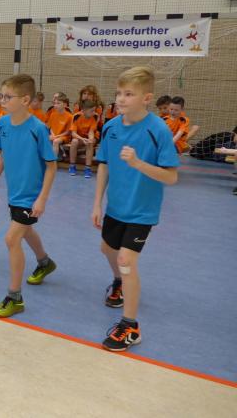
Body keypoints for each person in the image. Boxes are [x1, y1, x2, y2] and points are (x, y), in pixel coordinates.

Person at [91, 66, 179, 352]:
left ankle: (130, 326)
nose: (121, 99)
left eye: (129, 94)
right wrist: (97, 202)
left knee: (126, 260)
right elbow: (104, 164)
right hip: (115, 207)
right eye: (119, 93)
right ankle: (118, 283)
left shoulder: (158, 130)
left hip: (142, 211)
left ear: (147, 98)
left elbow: (171, 177)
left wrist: (139, 163)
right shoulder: (111, 127)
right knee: (107, 249)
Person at [0, 74, 58, 317]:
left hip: (31, 195)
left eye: (8, 97)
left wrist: (42, 198)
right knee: (25, 230)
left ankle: (15, 297)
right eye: (1, 96)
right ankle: (45, 262)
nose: (2, 100)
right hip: (14, 192)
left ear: (25, 100)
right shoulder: (3, 124)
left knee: (11, 239)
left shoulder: (38, 129)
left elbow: (51, 166)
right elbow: (4, 155)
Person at [69, 100, 100, 178]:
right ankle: (72, 166)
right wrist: (82, 139)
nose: (94, 112)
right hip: (79, 137)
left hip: (90, 136)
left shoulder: (94, 117)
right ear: (84, 110)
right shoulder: (76, 116)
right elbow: (73, 133)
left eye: (94, 110)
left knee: (90, 142)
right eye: (91, 111)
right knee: (74, 141)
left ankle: (87, 168)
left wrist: (90, 139)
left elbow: (91, 131)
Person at [47, 93, 72, 158]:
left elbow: (68, 132)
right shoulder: (53, 114)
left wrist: (57, 136)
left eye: (58, 103)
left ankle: (53, 160)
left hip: (64, 136)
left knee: (56, 141)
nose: (55, 105)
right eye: (55, 103)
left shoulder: (69, 116)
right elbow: (50, 128)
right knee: (43, 138)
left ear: (65, 105)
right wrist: (53, 135)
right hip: (54, 135)